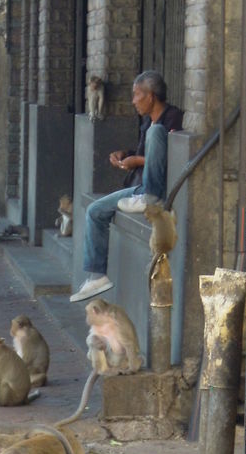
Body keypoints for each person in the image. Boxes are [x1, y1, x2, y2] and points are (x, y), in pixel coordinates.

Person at [70, 70, 183, 302]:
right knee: (95, 210)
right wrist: (126, 156)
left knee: (156, 132)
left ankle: (148, 198)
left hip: (157, 191)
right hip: (138, 187)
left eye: (136, 95)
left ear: (150, 96)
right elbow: (144, 156)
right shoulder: (145, 123)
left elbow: (168, 160)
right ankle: (97, 275)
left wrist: (138, 161)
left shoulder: (171, 119)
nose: (133, 101)